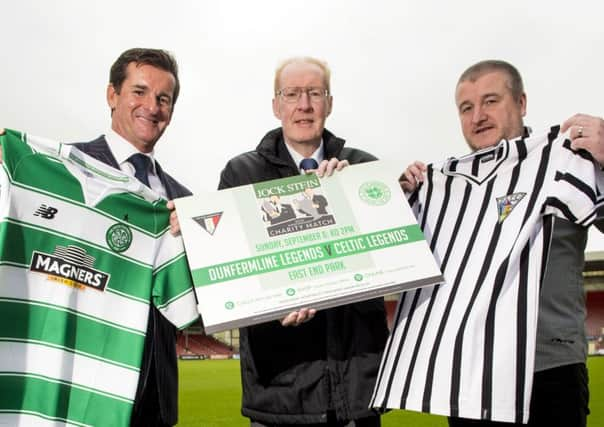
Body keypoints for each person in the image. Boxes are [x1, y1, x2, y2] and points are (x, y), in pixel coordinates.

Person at [398, 60, 604, 427]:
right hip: (470, 373)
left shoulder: (565, 160)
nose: (478, 116)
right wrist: (398, 205)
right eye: (466, 107)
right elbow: (401, 266)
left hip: (548, 368)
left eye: (490, 101)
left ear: (521, 103)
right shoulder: (443, 186)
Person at [218, 57, 389, 426]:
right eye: (292, 94)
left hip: (357, 389)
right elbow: (230, 272)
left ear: (329, 102)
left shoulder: (364, 169)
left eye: (314, 93)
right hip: (281, 391)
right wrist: (271, 305)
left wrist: (359, 195)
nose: (304, 105)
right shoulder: (242, 173)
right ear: (276, 105)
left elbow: (392, 256)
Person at [69, 48, 191, 427]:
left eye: (163, 99)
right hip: (77, 390)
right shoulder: (65, 169)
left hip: (152, 399)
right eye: (139, 92)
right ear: (112, 95)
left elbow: (194, 303)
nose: (151, 107)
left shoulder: (184, 201)